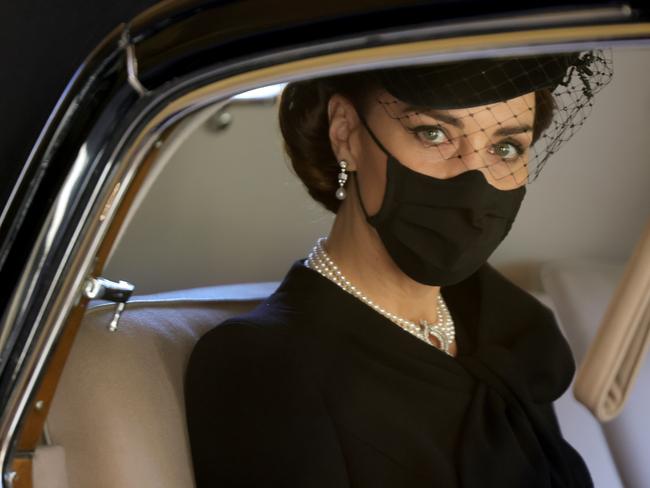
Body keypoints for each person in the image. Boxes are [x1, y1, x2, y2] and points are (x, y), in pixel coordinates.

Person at [185, 51, 612, 487]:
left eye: (505, 147)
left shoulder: (512, 330)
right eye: (433, 133)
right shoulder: (265, 366)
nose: (473, 178)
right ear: (346, 132)